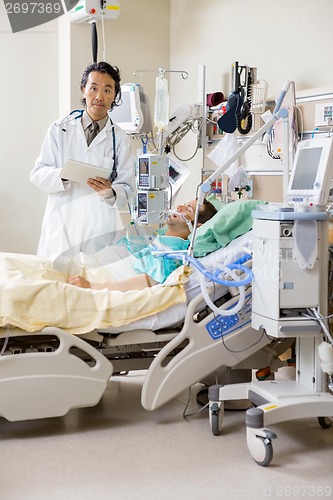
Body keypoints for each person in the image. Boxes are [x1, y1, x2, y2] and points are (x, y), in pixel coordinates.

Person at [30, 61, 136, 258]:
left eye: (107, 90)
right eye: (94, 88)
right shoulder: (59, 129)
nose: (99, 96)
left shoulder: (120, 139)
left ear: (114, 95)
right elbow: (37, 174)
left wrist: (110, 192)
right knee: (55, 282)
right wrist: (62, 176)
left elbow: (128, 187)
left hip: (98, 229)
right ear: (83, 89)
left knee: (90, 283)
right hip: (62, 226)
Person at [68, 198, 217, 291]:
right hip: (87, 267)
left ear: (197, 226)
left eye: (188, 209)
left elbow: (147, 281)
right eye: (184, 204)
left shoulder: (176, 251)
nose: (179, 208)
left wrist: (92, 286)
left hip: (101, 280)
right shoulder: (158, 238)